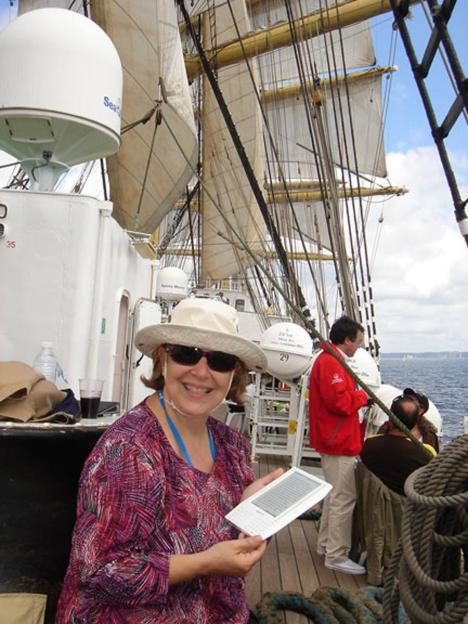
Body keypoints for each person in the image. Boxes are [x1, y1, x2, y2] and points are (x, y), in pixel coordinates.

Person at [56, 298, 283, 624]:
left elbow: (224, 535)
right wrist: (206, 562)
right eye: (186, 354)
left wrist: (250, 511)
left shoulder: (231, 444)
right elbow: (104, 574)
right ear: (163, 359)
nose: (202, 372)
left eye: (219, 360)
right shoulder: (128, 450)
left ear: (234, 374)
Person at [308, 315, 370, 575]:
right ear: (347, 340)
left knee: (335, 496)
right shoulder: (332, 363)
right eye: (357, 342)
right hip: (338, 441)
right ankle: (336, 555)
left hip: (333, 438)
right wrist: (363, 396)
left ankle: (325, 546)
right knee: (344, 498)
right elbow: (340, 402)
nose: (358, 347)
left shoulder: (329, 360)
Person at [361, 395, 436, 496]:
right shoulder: (425, 452)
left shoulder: (369, 444)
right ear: (414, 423)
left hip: (373, 504)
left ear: (390, 419)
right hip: (408, 507)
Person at [378, 387, 439, 452]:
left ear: (421, 409)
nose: (404, 400)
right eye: (405, 398)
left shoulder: (429, 435)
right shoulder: (386, 427)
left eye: (410, 400)